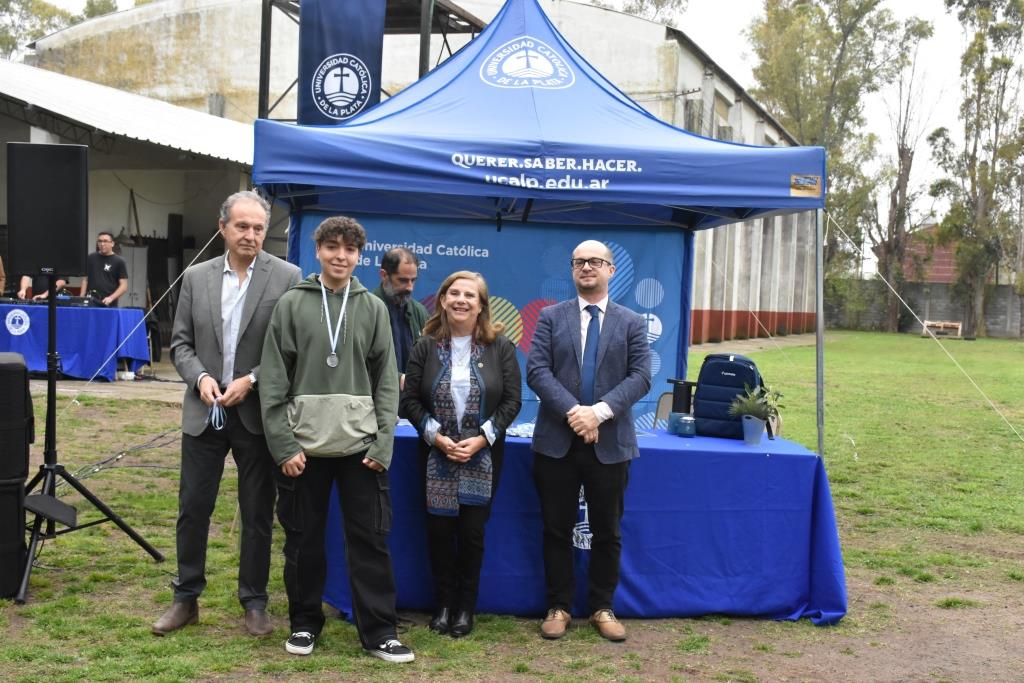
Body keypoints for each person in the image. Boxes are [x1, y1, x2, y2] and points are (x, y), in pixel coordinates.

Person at [259, 216, 413, 663]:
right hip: (303, 448)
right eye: (332, 247)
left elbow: (387, 381)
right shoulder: (291, 304)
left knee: (369, 541)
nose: (340, 256)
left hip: (360, 448)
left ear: (359, 255)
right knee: (303, 540)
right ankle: (304, 623)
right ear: (318, 251)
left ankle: (380, 631)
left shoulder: (373, 308)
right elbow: (272, 379)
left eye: (349, 249)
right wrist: (284, 445)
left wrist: (383, 442)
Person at [152, 191, 301, 637]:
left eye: (258, 228)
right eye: (242, 227)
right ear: (223, 228)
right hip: (204, 412)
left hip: (256, 414)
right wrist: (199, 378)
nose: (251, 235)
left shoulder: (288, 277)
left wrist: (251, 379)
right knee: (193, 508)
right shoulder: (196, 277)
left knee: (257, 512)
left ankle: (254, 601)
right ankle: (186, 598)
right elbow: (179, 343)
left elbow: (290, 350)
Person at [525, 240, 651, 642]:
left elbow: (642, 376)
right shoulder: (550, 317)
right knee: (556, 529)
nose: (586, 268)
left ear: (611, 270)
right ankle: (558, 606)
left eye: (595, 262)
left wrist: (597, 413)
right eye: (579, 262)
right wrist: (575, 414)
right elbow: (537, 371)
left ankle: (602, 607)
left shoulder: (631, 321)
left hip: (610, 442)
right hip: (557, 441)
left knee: (607, 530)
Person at [399, 271, 522, 638]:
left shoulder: (500, 346)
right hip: (436, 452)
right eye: (454, 293)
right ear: (442, 299)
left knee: (471, 534)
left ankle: (465, 609)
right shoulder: (425, 345)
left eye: (470, 295)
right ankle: (442, 606)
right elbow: (408, 400)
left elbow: (513, 400)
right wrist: (435, 436)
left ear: (481, 304)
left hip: (481, 453)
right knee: (438, 533)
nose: (461, 300)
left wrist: (483, 438)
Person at [372, 247, 428, 390]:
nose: (409, 287)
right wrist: (397, 379)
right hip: (375, 397)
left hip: (410, 401)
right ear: (384, 275)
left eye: (413, 280)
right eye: (403, 280)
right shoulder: (367, 308)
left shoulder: (419, 311)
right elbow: (360, 361)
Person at [81, 231, 128, 306]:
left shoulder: (119, 261)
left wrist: (111, 298)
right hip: (90, 301)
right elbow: (85, 279)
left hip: (108, 303)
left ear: (112, 243)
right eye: (100, 241)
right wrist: (81, 298)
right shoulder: (90, 258)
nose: (102, 244)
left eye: (105, 241)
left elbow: (124, 286)